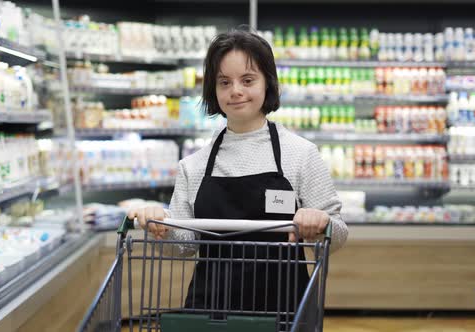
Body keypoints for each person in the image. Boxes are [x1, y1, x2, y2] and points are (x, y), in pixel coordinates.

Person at [128, 28, 348, 317]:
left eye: (247, 80)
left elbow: (339, 234)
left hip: (282, 312)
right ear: (213, 90)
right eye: (224, 82)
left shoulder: (300, 154)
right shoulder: (193, 165)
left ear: (267, 83)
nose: (236, 91)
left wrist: (321, 223)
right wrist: (161, 226)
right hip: (210, 312)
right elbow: (184, 247)